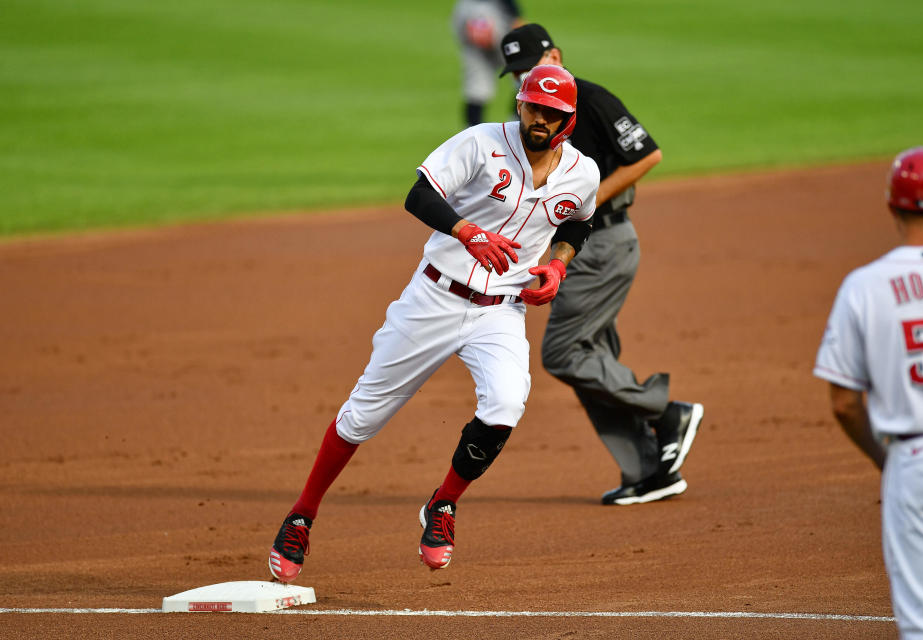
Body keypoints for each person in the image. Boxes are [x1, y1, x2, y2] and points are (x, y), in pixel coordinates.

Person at [268, 65, 600, 582]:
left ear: (569, 120)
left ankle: (442, 505)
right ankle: (301, 515)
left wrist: (557, 265)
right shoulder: (480, 143)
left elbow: (578, 221)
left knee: (507, 403)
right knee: (362, 417)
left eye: (552, 113)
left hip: (501, 310)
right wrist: (467, 231)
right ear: (519, 104)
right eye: (533, 106)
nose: (540, 118)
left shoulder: (583, 173)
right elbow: (419, 195)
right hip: (433, 299)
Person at [499, 24, 703, 506]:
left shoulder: (589, 99)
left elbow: (645, 154)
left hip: (603, 243)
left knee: (564, 355)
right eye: (516, 73)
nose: (524, 78)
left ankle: (667, 412)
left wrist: (583, 203)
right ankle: (649, 471)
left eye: (531, 65)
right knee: (592, 360)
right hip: (574, 249)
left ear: (557, 55)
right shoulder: (530, 114)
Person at [814, 146, 923, 639]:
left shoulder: (865, 286)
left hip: (919, 462)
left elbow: (843, 402)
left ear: (892, 206)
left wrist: (886, 460)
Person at [452, 0, 524, 127]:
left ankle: (473, 134)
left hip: (469, 10)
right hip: (490, 13)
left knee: (477, 86)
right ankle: (516, 129)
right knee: (524, 77)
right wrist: (516, 16)